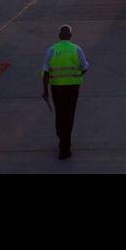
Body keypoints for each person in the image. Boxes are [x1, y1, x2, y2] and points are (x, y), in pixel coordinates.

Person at [41, 25, 89, 159]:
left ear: (59, 36)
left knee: (60, 114)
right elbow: (85, 67)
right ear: (71, 36)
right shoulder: (77, 49)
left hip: (57, 88)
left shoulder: (52, 50)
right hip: (73, 88)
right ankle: (65, 146)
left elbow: (46, 71)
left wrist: (45, 90)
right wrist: (76, 75)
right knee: (69, 115)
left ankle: (63, 141)